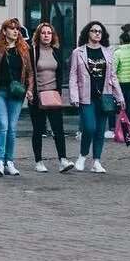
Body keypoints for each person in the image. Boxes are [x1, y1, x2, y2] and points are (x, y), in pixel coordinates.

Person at [69, 20, 127, 173]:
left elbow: (113, 76)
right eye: (94, 31)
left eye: (100, 32)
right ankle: (82, 156)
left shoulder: (108, 52)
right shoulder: (78, 52)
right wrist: (74, 96)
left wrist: (120, 97)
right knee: (89, 127)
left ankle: (96, 161)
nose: (97, 33)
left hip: (105, 97)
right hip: (86, 96)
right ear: (88, 33)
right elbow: (73, 76)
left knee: (100, 130)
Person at [0, 17, 32, 177]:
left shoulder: (24, 50)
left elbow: (30, 73)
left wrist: (29, 89)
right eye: (12, 28)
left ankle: (9, 162)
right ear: (4, 31)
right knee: (2, 125)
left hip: (16, 93)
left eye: (17, 29)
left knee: (12, 128)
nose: (15, 31)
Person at [28, 22, 73, 173]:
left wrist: (59, 90)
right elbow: (29, 73)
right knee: (38, 129)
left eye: (49, 33)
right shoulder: (32, 51)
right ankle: (39, 161)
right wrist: (30, 91)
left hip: (53, 95)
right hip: (37, 96)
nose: (46, 35)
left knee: (58, 129)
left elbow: (60, 72)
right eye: (43, 33)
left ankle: (63, 160)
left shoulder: (55, 51)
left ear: (52, 36)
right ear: (38, 35)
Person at [110, 24, 130, 139]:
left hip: (121, 82)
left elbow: (114, 68)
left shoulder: (117, 53)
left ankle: (122, 130)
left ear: (121, 41)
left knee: (120, 106)